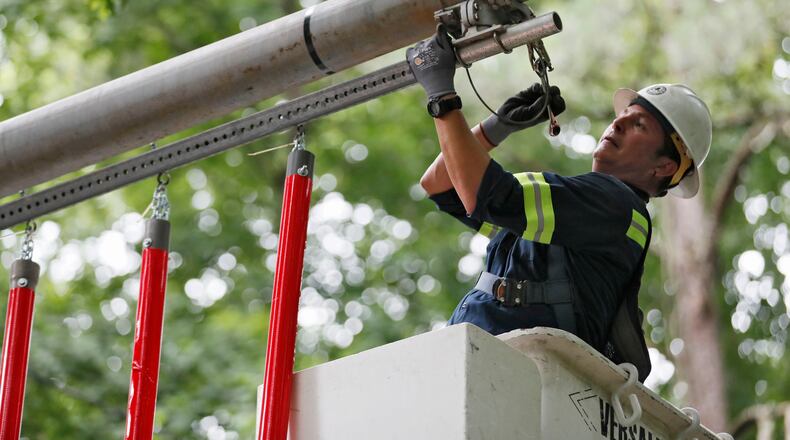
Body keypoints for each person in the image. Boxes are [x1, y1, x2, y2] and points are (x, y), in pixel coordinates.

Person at [406, 29, 712, 380]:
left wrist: (441, 95)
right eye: (624, 114)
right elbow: (441, 185)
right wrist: (495, 129)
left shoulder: (614, 204)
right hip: (489, 360)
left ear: (664, 167)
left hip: (509, 371)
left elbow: (483, 193)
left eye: (638, 124)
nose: (619, 122)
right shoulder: (575, 212)